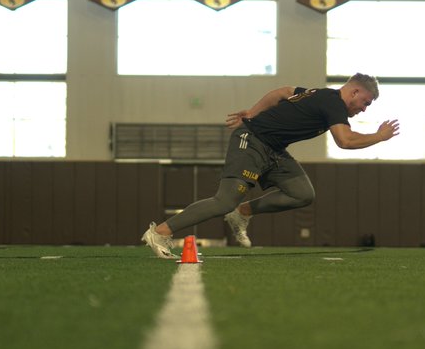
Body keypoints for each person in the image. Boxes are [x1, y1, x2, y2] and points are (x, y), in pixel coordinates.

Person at [142, 74, 399, 258]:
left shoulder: (320, 95)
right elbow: (344, 141)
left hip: (273, 150)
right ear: (354, 92)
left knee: (302, 193)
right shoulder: (333, 103)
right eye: (365, 102)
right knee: (223, 201)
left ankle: (243, 212)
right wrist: (379, 136)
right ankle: (160, 232)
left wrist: (253, 111)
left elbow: (284, 91)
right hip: (252, 141)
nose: (364, 109)